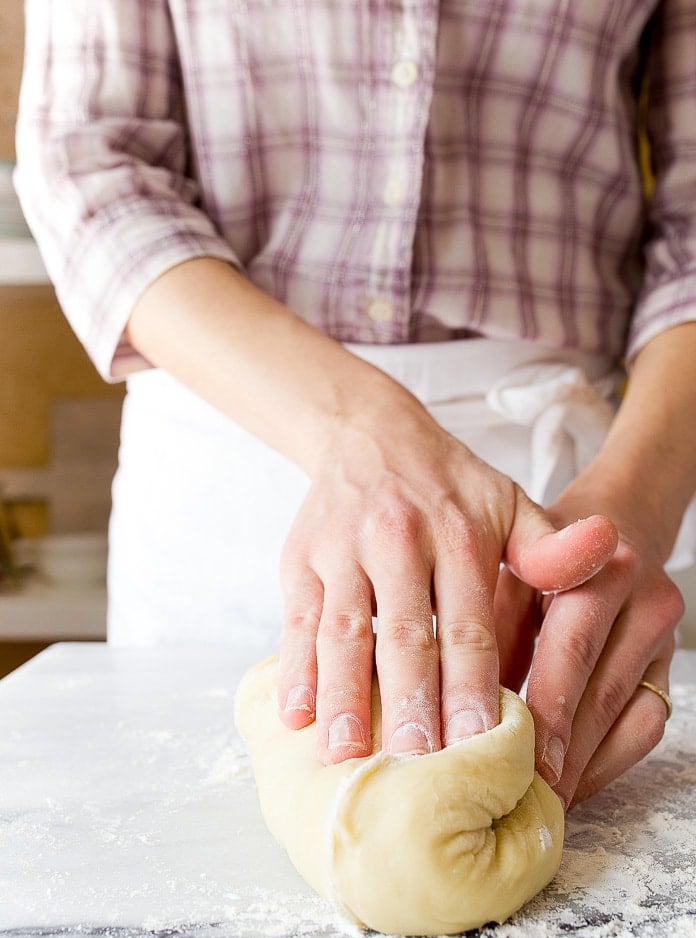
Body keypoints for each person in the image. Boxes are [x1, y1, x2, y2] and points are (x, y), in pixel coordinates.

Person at [15, 0, 696, 812]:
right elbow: (91, 165)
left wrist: (633, 507)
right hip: (230, 463)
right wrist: (365, 434)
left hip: (569, 498)